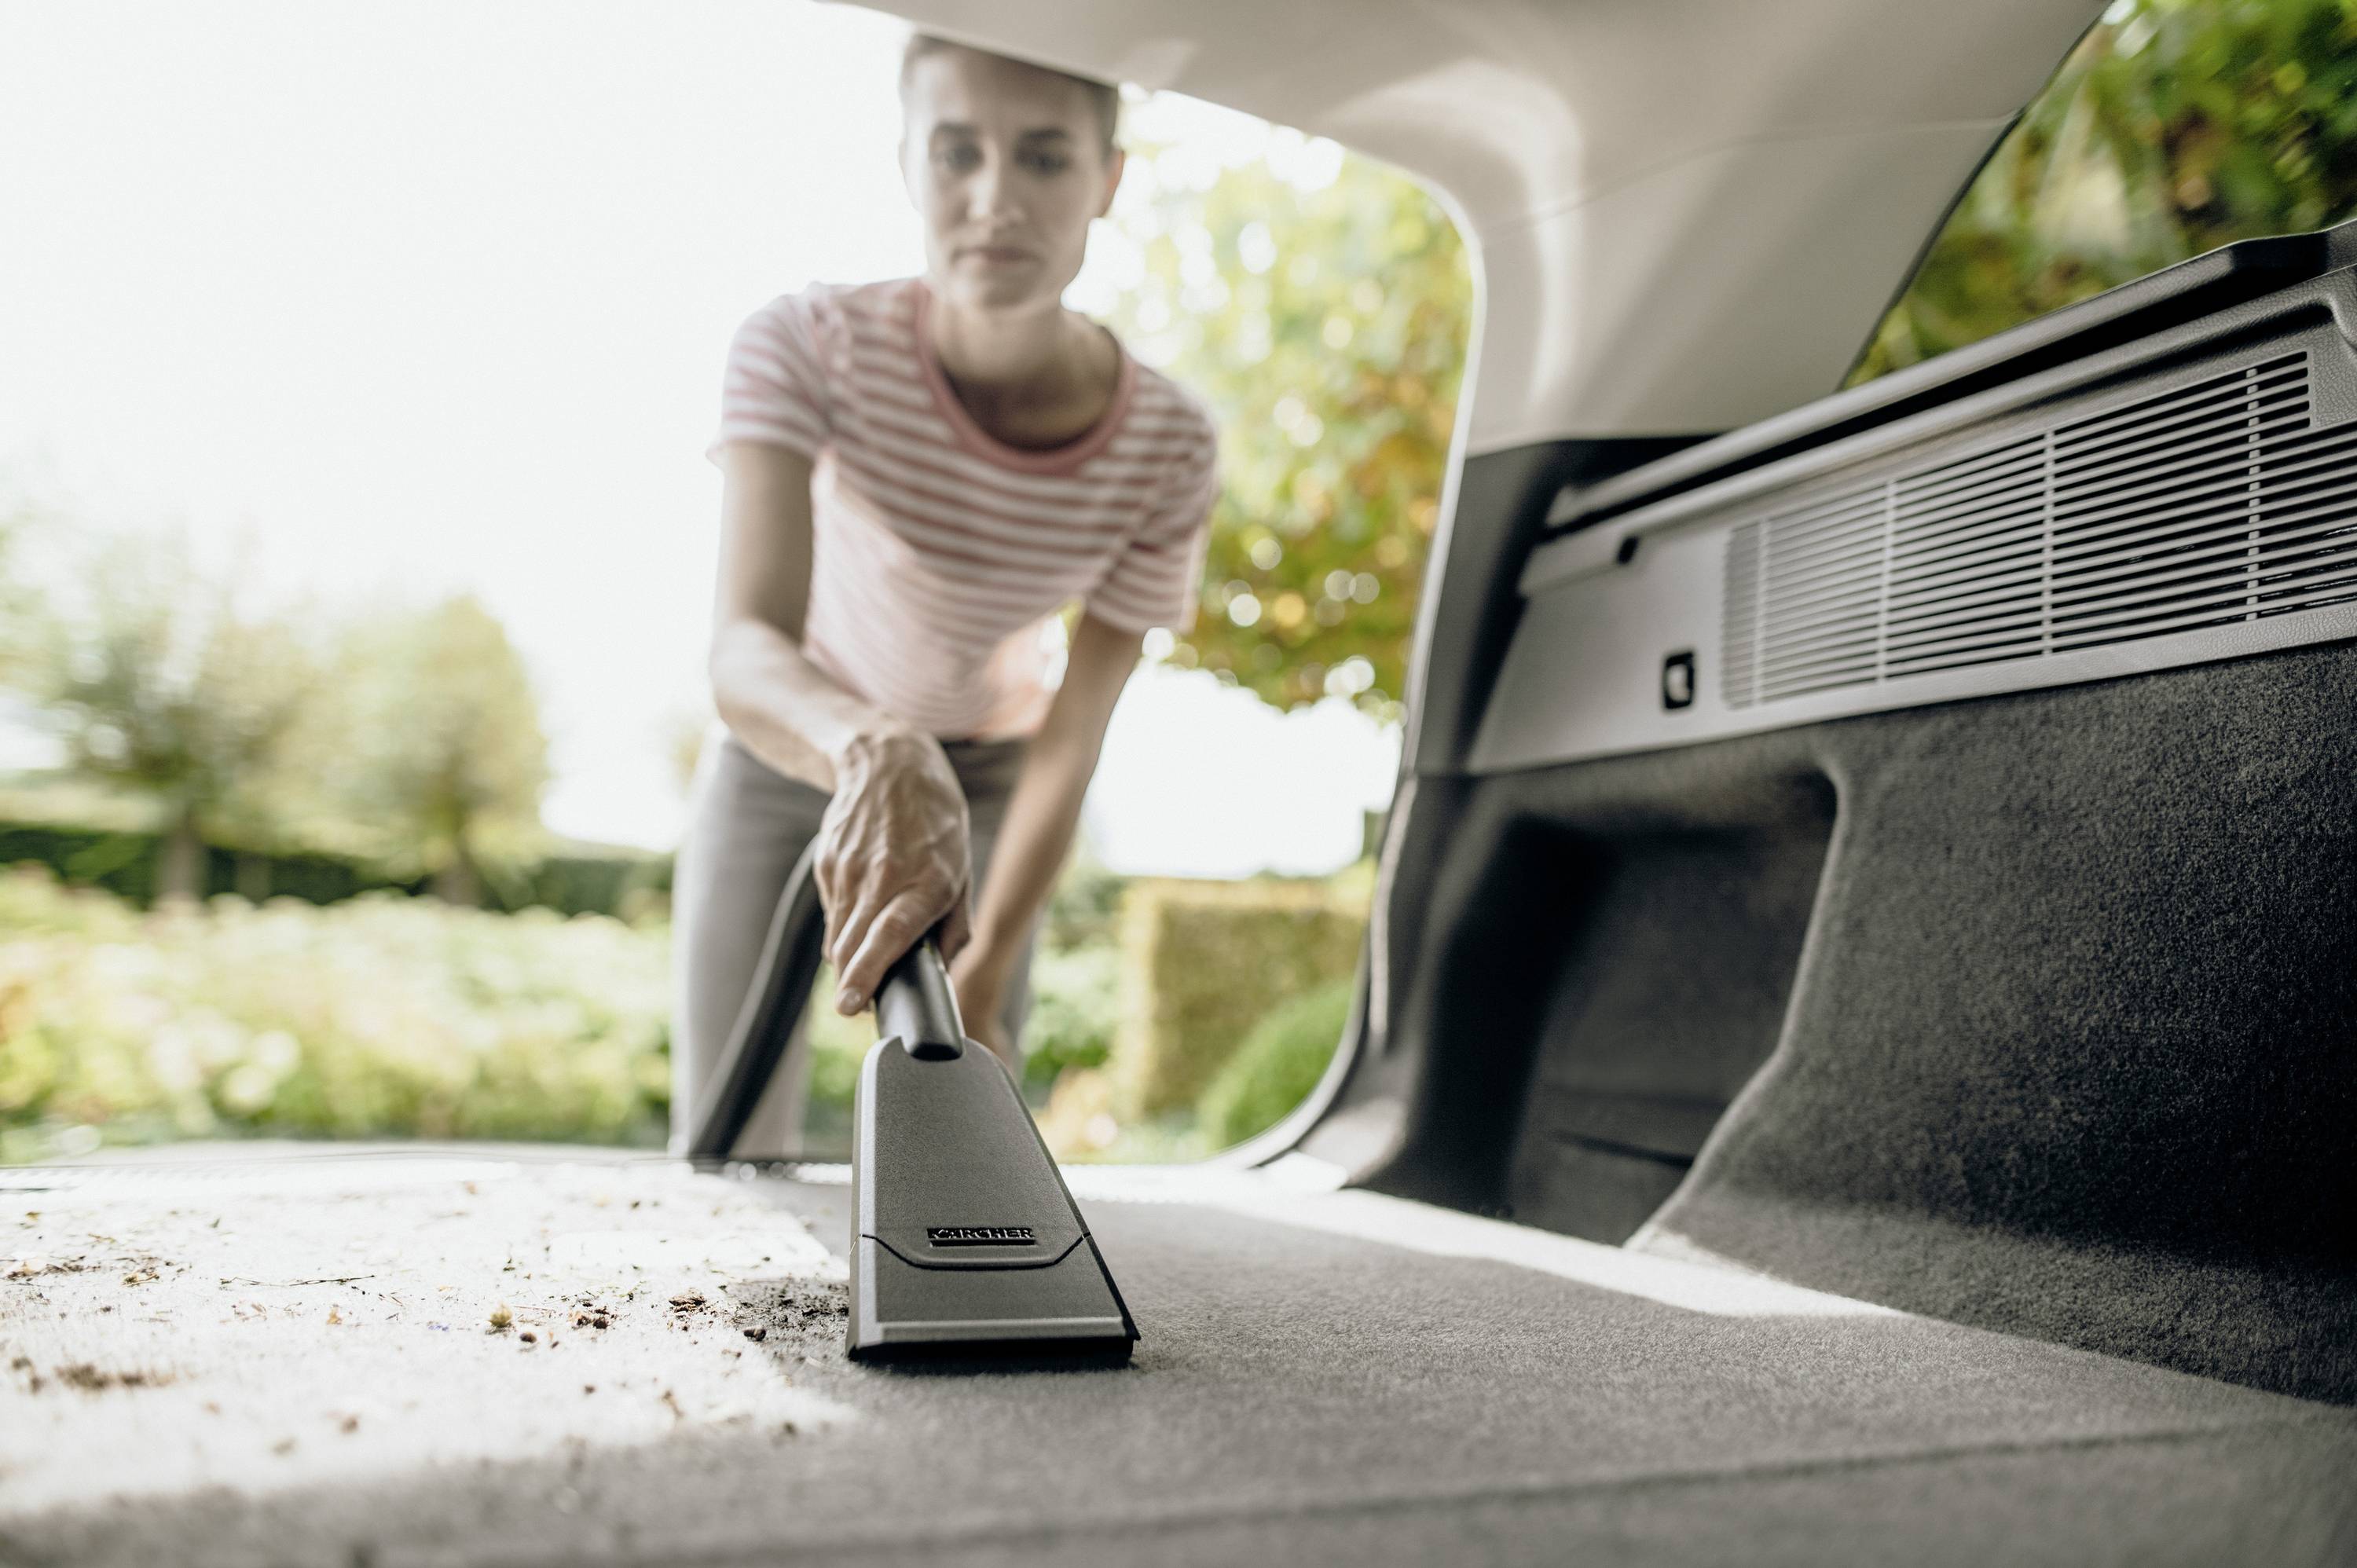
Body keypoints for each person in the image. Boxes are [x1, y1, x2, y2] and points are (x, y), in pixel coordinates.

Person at [670, 32, 1220, 1157]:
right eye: (957, 152)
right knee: (729, 1148)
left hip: (993, 774)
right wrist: (874, 746)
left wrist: (993, 955)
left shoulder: (1167, 443)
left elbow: (1074, 735)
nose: (994, 200)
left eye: (1045, 158)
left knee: (959, 1139)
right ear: (910, 164)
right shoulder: (804, 342)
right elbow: (742, 649)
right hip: (798, 745)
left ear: (1109, 180)